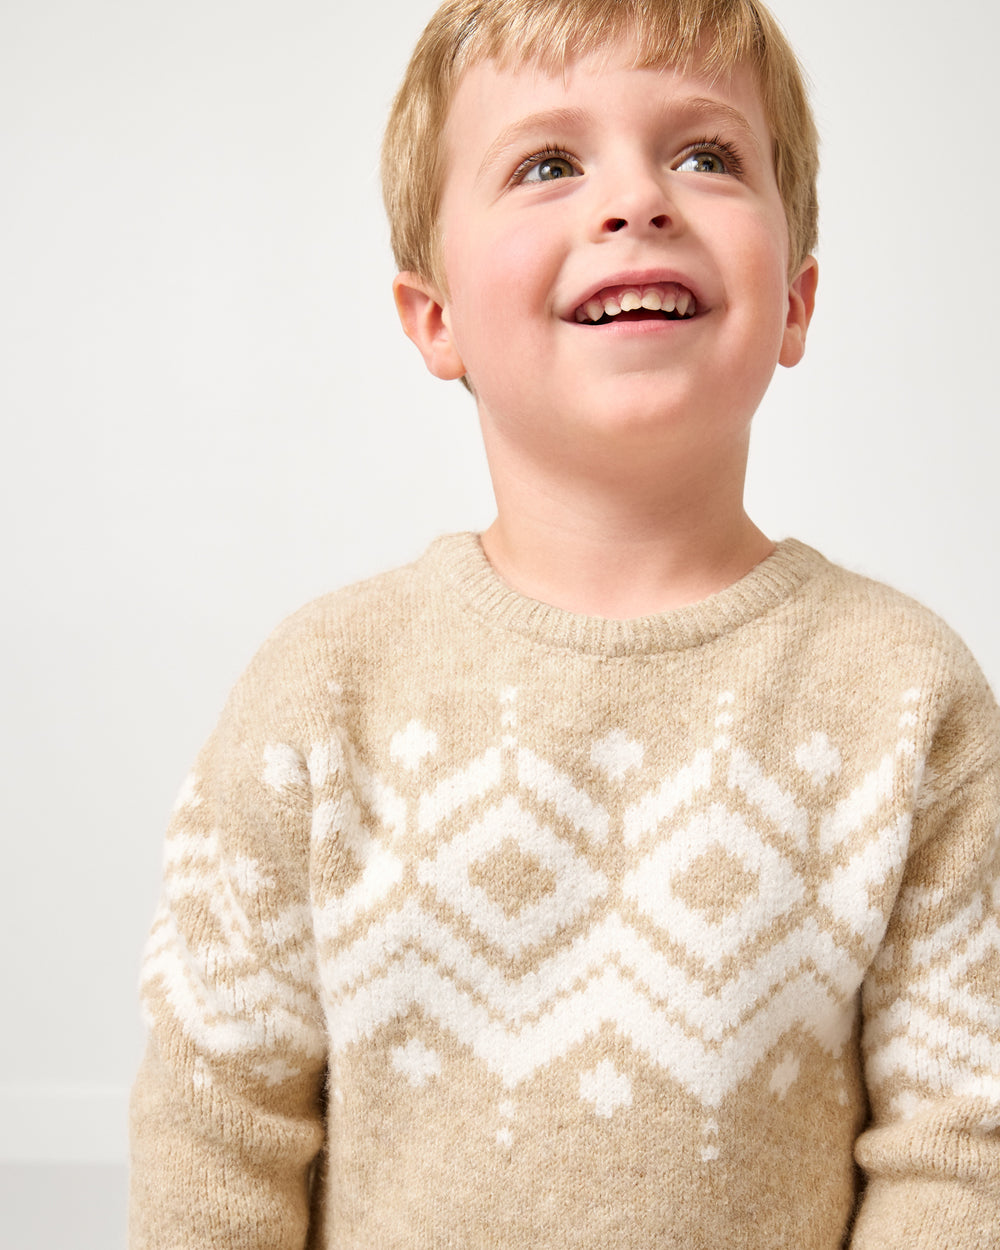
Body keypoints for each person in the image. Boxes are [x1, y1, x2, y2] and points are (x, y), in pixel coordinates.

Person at [129, 0, 1000, 1245]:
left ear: (796, 300)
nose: (637, 200)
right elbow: (217, 1123)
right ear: (435, 319)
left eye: (705, 155)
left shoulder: (907, 694)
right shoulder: (324, 689)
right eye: (548, 164)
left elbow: (960, 1142)